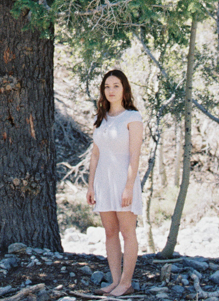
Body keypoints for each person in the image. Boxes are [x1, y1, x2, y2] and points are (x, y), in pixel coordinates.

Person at [86, 69, 143, 297]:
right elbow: (95, 155)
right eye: (107, 86)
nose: (111, 90)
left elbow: (135, 155)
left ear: (124, 89)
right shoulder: (101, 118)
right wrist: (91, 185)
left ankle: (126, 282)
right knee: (110, 233)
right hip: (103, 181)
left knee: (127, 232)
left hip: (123, 180)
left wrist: (129, 186)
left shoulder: (132, 118)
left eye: (116, 86)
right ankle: (115, 281)